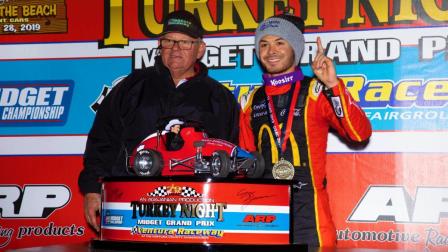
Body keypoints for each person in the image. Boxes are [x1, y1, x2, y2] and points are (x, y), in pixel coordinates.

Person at [78, 10, 239, 232]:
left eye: (184, 42)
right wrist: (92, 189)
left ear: (200, 49)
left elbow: (227, 156)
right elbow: (103, 139)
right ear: (159, 45)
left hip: (195, 210)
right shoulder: (132, 86)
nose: (175, 49)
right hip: (130, 204)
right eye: (169, 41)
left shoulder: (220, 98)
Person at [239, 13, 372, 247]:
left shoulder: (316, 91)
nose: (271, 51)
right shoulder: (254, 99)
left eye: (280, 42)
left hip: (310, 218)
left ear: (296, 48)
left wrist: (333, 86)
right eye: (264, 44)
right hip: (263, 215)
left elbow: (359, 134)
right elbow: (243, 161)